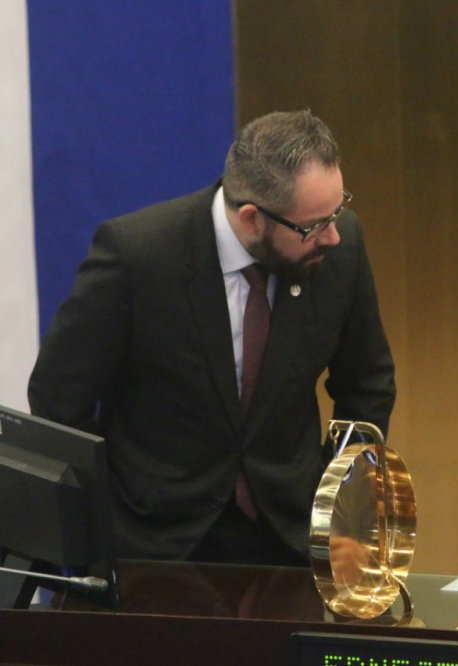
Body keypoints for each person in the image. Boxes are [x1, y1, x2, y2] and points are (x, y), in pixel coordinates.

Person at [28, 110, 395, 566]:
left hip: (289, 537)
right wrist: (104, 524)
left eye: (337, 211)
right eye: (314, 225)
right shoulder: (138, 256)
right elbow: (59, 399)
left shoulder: (340, 250)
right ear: (251, 218)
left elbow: (367, 384)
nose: (333, 236)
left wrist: (338, 503)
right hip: (154, 543)